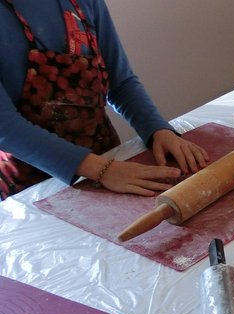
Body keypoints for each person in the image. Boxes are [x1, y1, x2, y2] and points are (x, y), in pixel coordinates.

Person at [0, 0, 207, 201]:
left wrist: (157, 130)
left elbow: (121, 82)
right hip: (31, 188)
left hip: (110, 162)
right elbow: (6, 128)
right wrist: (101, 169)